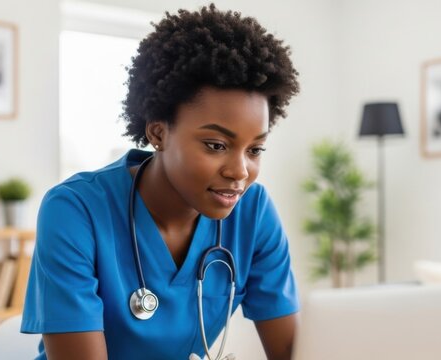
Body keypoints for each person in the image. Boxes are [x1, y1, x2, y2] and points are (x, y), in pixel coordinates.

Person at [20, 3, 301, 360]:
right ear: (158, 132)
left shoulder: (253, 214)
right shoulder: (75, 210)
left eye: (255, 149)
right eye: (216, 145)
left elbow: (294, 353)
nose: (240, 171)